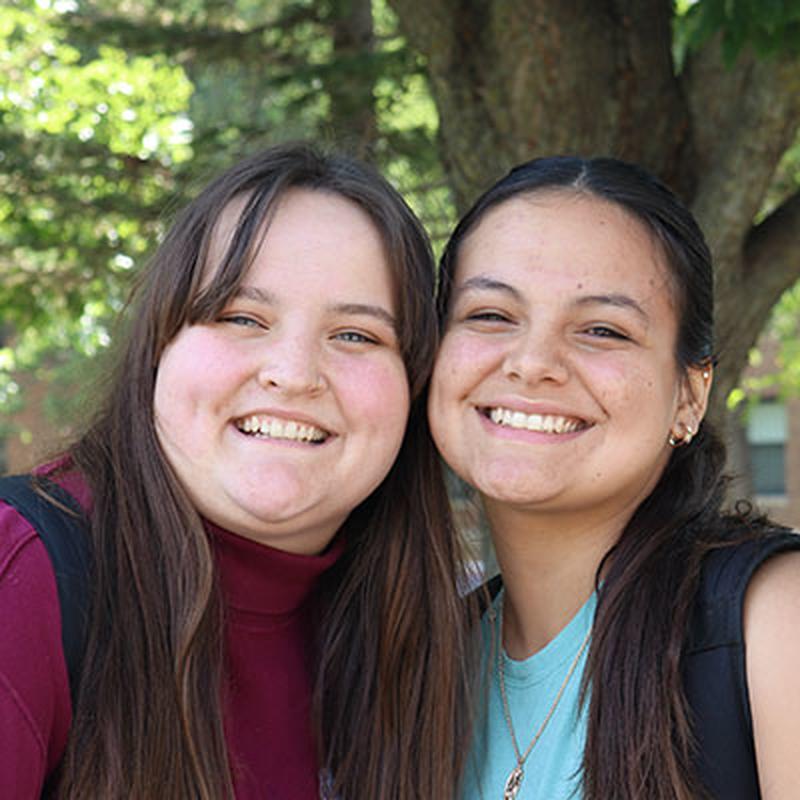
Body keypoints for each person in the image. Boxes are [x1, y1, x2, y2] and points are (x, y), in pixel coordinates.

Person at [0, 143, 477, 799]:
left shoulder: (420, 645)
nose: (293, 372)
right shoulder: (23, 572)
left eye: (356, 335)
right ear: (159, 347)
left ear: (415, 385)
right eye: (242, 317)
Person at [428, 155, 800, 799]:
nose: (533, 363)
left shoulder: (771, 620)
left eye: (602, 329)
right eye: (490, 315)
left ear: (689, 395)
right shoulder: (425, 667)